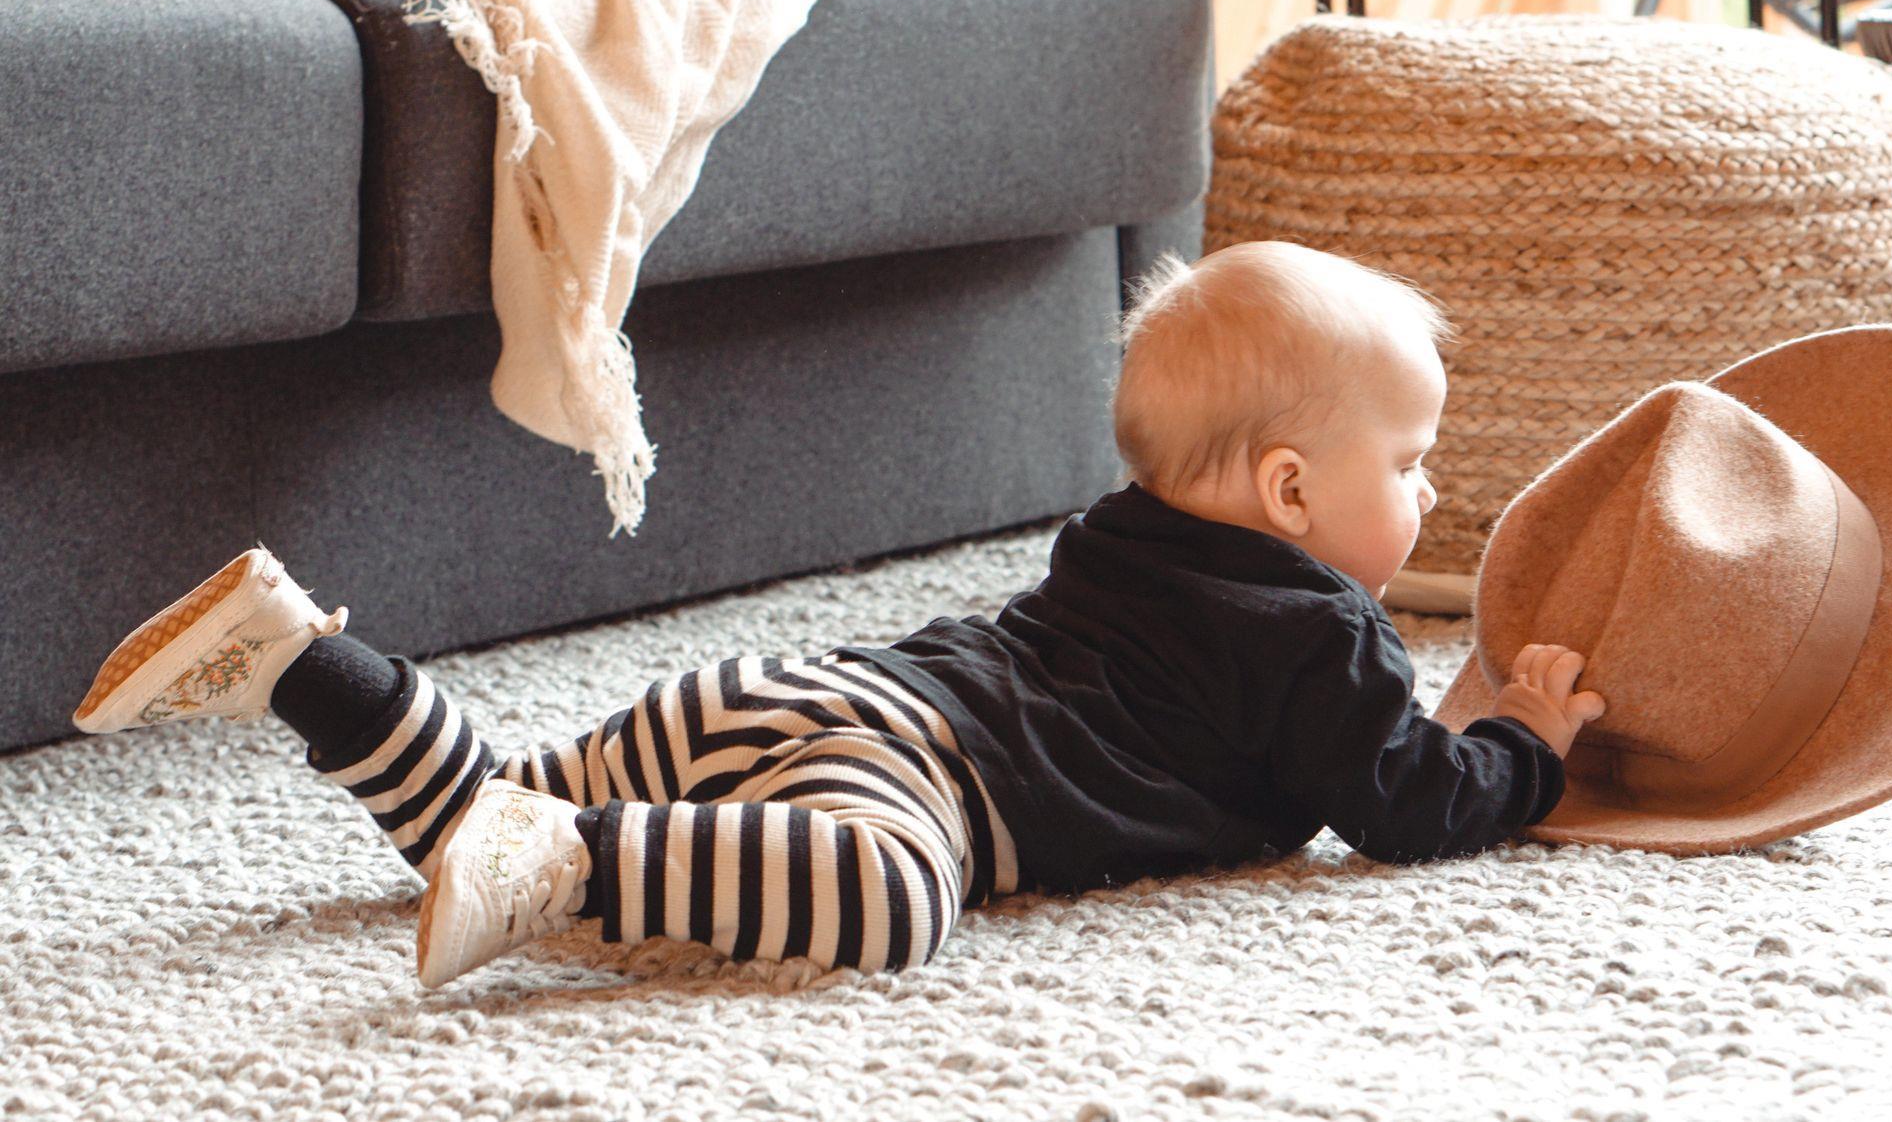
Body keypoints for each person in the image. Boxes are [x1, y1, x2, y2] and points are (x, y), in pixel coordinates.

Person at [71, 240, 1606, 990]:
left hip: (794, 687)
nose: (1425, 488)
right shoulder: (1327, 639)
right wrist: (1522, 745)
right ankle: (577, 859)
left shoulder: (1114, 537)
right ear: (1290, 489)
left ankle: (310, 661)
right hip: (909, 779)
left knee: (493, 795)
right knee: (888, 902)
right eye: (1409, 462)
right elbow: (1401, 802)